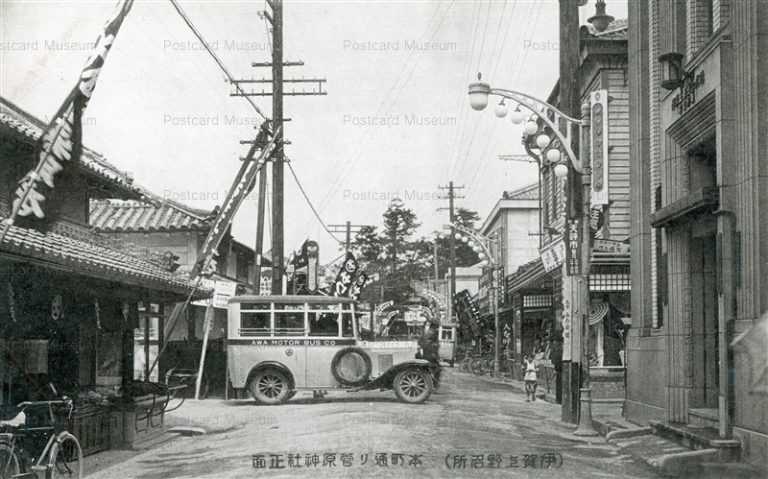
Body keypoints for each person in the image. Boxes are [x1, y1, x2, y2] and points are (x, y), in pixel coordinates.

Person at [418, 320, 441, 390]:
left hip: (427, 353)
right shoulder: (432, 332)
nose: (438, 328)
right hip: (429, 354)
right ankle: (433, 385)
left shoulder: (429, 332)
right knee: (436, 369)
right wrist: (435, 349)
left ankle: (430, 384)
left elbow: (421, 342)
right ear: (434, 326)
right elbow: (426, 343)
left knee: (431, 370)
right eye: (437, 326)